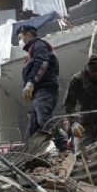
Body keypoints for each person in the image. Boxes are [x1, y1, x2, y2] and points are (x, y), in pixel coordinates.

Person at [19, 25, 69, 153]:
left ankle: (63, 146)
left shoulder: (39, 45)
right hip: (39, 92)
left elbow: (42, 63)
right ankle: (26, 156)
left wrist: (30, 83)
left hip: (45, 89)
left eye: (21, 37)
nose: (20, 40)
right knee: (32, 128)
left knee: (43, 119)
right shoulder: (34, 49)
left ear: (28, 35)